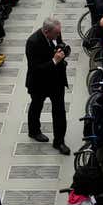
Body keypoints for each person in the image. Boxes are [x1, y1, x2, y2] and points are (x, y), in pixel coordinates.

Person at [25, 17, 70, 155]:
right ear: (46, 31)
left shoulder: (56, 33)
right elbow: (35, 68)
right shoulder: (33, 42)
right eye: (56, 34)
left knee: (59, 111)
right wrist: (54, 61)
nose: (58, 36)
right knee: (36, 105)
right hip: (40, 82)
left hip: (56, 81)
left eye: (58, 33)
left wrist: (64, 52)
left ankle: (59, 141)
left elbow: (61, 45)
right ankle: (34, 130)